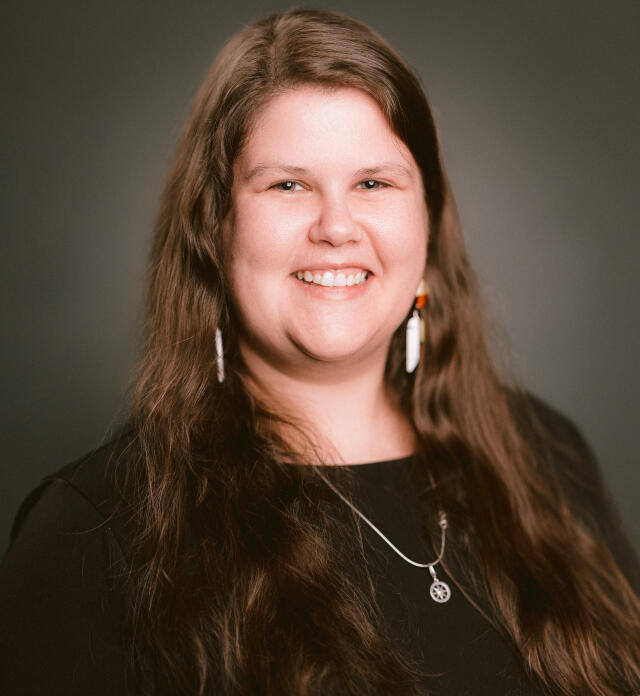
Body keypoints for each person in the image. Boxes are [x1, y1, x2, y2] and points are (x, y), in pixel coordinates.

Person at [1, 8, 639, 696]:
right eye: (288, 184)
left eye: (374, 183)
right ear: (215, 228)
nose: (336, 227)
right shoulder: (93, 530)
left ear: (428, 219)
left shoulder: (547, 455)